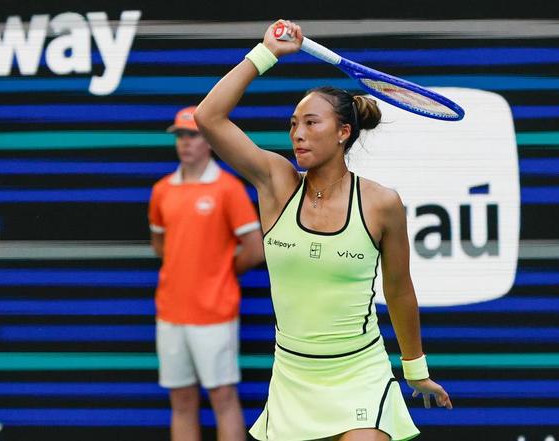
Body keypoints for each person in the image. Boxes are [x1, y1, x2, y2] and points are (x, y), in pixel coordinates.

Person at [194, 20, 452, 441]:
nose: (298, 134)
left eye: (311, 123)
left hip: (360, 372)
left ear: (343, 132)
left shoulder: (381, 203)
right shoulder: (276, 183)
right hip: (293, 377)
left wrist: (415, 369)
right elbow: (208, 117)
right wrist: (266, 53)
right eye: (293, 124)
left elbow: (399, 290)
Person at [148, 105, 265, 441]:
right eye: (180, 135)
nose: (185, 142)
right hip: (171, 312)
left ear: (210, 141)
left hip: (215, 313)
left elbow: (255, 248)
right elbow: (160, 245)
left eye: (193, 135)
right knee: (181, 400)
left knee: (222, 397)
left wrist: (219, 274)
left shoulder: (228, 188)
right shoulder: (162, 190)